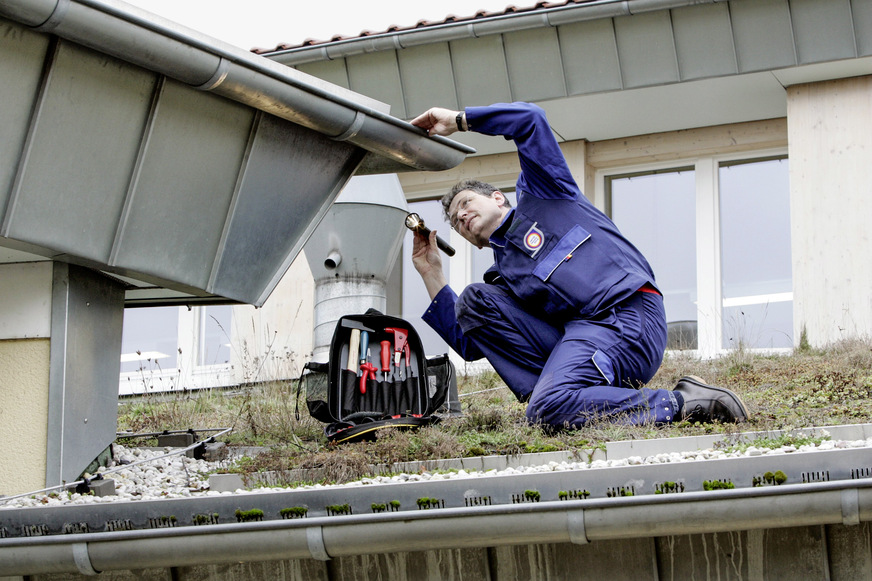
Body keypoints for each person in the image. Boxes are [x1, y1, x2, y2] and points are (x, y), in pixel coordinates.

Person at [409, 101, 748, 430]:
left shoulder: (546, 193)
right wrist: (431, 273)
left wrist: (458, 120)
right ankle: (569, 395)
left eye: (466, 203)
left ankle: (683, 402)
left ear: (498, 197)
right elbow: (471, 343)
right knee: (474, 301)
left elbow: (529, 120)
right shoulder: (503, 278)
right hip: (582, 337)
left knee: (547, 407)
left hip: (628, 318)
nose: (463, 216)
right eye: (456, 221)